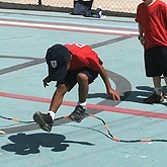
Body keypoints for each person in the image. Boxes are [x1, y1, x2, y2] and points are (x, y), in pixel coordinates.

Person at [33, 43, 120, 132]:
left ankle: (81, 107)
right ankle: (50, 117)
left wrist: (109, 88)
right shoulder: (57, 54)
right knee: (62, 87)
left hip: (87, 68)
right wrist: (51, 76)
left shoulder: (86, 57)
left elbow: (100, 69)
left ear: (70, 58)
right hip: (72, 67)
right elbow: (56, 67)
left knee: (81, 77)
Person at [135, 0, 167, 104]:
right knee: (154, 71)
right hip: (149, 44)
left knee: (166, 71)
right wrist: (141, 35)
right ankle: (158, 94)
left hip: (162, 43)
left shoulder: (161, 5)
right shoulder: (141, 7)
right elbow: (140, 22)